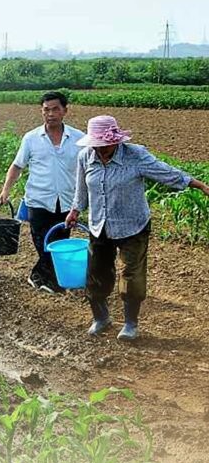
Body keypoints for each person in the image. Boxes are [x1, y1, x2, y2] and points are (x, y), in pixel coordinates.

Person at [65, 115, 209, 340]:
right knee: (95, 275)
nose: (100, 150)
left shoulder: (135, 155)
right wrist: (74, 211)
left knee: (131, 275)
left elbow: (166, 172)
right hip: (99, 225)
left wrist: (200, 185)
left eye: (104, 145)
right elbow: (81, 190)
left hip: (133, 226)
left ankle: (131, 324)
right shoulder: (85, 156)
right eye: (96, 145)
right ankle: (101, 318)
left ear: (116, 140)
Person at [0, 91, 85, 294]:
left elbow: (89, 169)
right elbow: (17, 166)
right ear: (41, 112)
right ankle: (52, 281)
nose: (51, 114)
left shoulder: (79, 139)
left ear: (65, 111)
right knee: (42, 243)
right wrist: (5, 190)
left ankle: (39, 276)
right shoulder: (31, 138)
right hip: (38, 200)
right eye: (46, 110)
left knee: (60, 242)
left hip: (66, 201)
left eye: (55, 109)